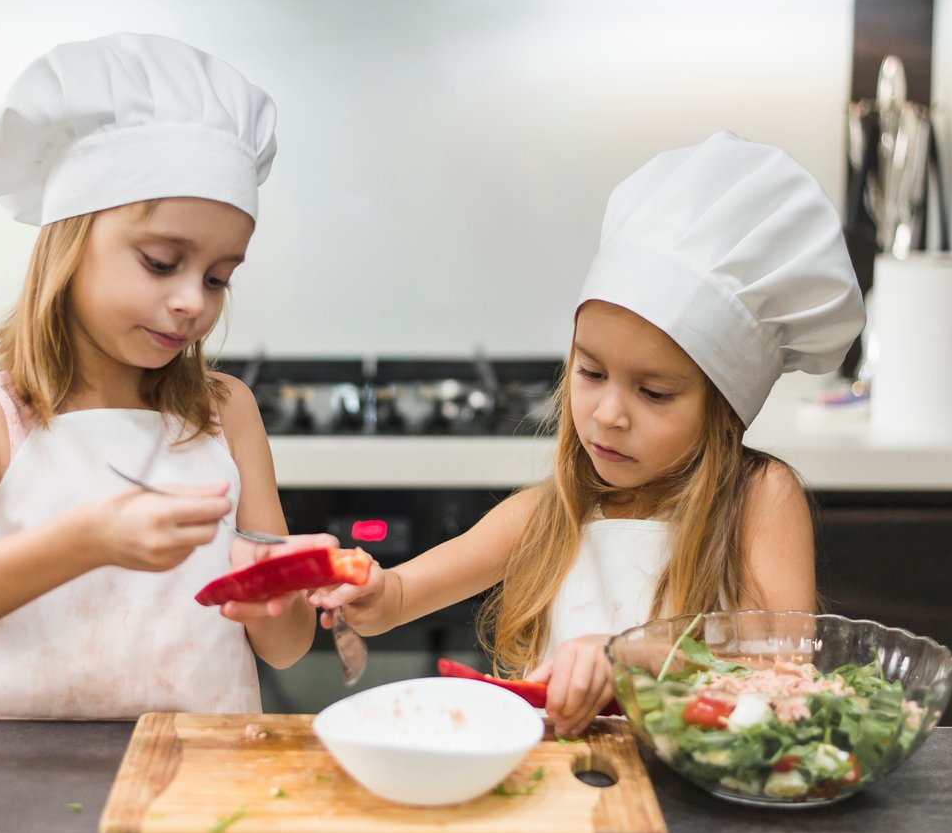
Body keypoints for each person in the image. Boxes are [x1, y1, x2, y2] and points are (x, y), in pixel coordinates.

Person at [314, 131, 865, 737]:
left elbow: (782, 671)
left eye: (654, 392)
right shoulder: (547, 518)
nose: (607, 414)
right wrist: (370, 590)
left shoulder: (761, 497)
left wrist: (630, 656)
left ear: (723, 408)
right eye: (591, 372)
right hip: (564, 794)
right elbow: (400, 596)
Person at [0, 33, 327, 718]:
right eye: (161, 261)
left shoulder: (226, 412)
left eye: (218, 278)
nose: (192, 301)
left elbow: (285, 649)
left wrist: (281, 588)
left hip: (179, 772)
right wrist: (84, 542)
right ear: (70, 246)